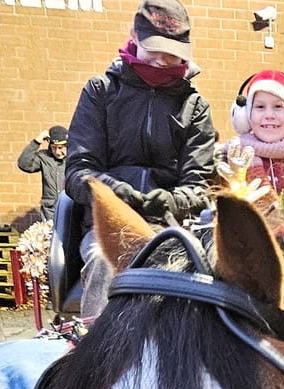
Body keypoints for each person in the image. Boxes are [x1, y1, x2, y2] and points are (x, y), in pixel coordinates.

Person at [65, 0, 217, 317]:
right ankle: (96, 354)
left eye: (171, 53)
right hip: (110, 222)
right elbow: (79, 171)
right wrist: (113, 193)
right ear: (134, 35)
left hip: (171, 225)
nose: (162, 61)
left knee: (201, 277)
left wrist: (170, 202)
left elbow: (199, 184)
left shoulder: (195, 106)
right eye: (154, 50)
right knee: (105, 260)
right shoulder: (101, 92)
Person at [229, 69, 284, 194]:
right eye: (260, 107)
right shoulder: (233, 160)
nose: (269, 115)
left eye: (278, 106)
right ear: (245, 115)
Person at [17, 125, 68, 221]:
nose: (57, 152)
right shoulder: (44, 157)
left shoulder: (74, 159)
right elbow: (24, 164)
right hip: (50, 212)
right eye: (54, 147)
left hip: (69, 209)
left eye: (61, 148)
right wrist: (37, 141)